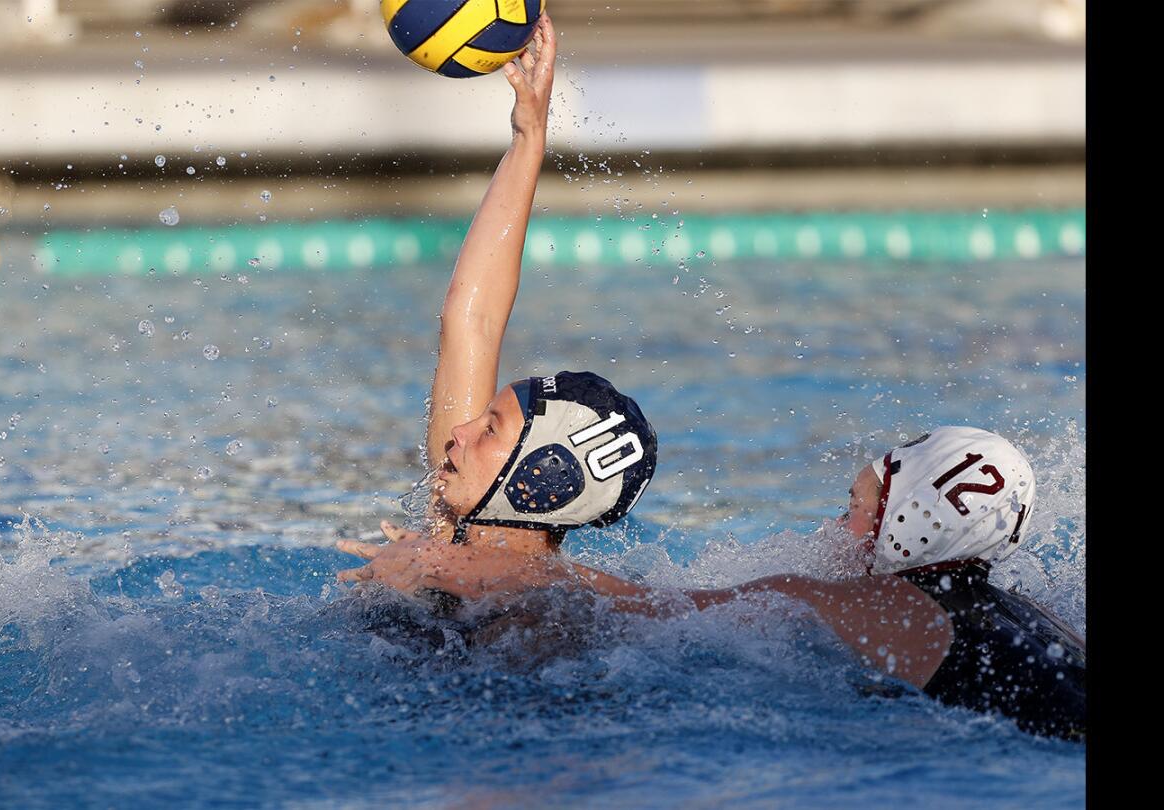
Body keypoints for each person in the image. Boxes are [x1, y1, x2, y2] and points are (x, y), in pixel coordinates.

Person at [339, 426, 1086, 740]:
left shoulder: (866, 601)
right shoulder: (1032, 614)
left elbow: (660, 611)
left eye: (857, 509)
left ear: (914, 524)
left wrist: (502, 570)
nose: (837, 527)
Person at [338, 12, 658, 589]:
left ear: (539, 478)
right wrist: (529, 137)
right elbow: (472, 320)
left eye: (489, 429)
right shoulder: (446, 522)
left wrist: (457, 570)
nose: (459, 433)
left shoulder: (568, 616)